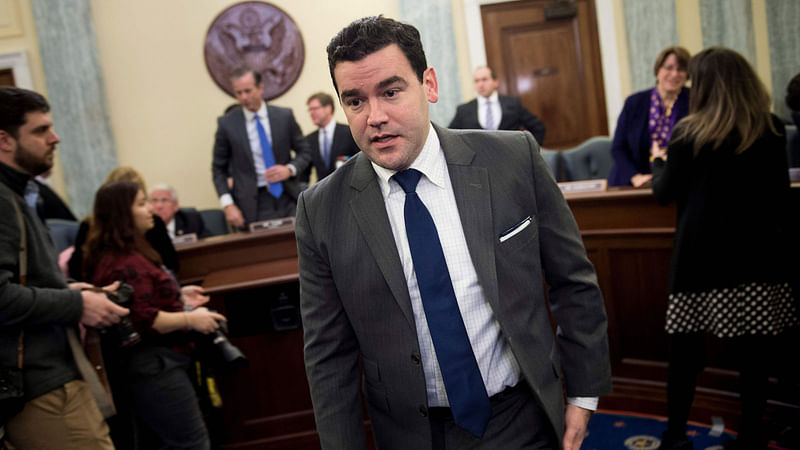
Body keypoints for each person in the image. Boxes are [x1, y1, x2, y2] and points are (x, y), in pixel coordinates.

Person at [296, 16, 611, 450]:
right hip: (413, 436)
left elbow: (573, 282)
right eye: (355, 101)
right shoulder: (319, 211)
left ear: (429, 85)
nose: (376, 117)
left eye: (391, 91)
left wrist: (582, 392)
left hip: (522, 417)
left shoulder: (512, 159)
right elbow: (328, 358)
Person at [651, 47, 798, 450]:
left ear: (708, 86)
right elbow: (780, 201)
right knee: (755, 359)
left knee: (685, 357)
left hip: (699, 263)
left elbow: (664, 193)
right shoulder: (770, 128)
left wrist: (659, 163)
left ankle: (676, 437)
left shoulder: (687, 132)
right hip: (756, 259)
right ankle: (752, 436)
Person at [0, 86, 129, 449]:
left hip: (51, 377)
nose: (54, 138)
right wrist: (78, 305)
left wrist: (73, 290)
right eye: (40, 131)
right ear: (4, 140)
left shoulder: (19, 194)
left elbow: (27, 278)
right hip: (40, 387)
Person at [84, 181, 226, 450]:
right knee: (191, 444)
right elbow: (146, 320)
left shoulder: (130, 253)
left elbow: (141, 300)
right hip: (155, 366)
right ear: (121, 213)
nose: (151, 209)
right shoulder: (122, 262)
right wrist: (190, 318)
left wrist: (179, 296)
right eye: (141, 203)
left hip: (160, 362)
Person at [212, 68, 312, 228]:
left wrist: (289, 169)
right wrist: (228, 204)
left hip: (288, 196)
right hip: (252, 204)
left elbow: (305, 152)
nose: (243, 97)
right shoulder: (227, 124)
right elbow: (218, 169)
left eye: (248, 91)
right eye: (238, 93)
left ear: (260, 88)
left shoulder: (284, 116)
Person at [68, 166, 178, 280]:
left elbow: (171, 265)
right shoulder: (90, 227)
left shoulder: (152, 222)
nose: (151, 208)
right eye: (141, 203)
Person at [608, 46, 690, 187]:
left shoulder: (695, 100)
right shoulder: (634, 102)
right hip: (634, 182)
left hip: (679, 183)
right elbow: (618, 148)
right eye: (669, 68)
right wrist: (635, 177)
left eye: (681, 69)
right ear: (658, 70)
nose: (675, 74)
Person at [449, 66, 546, 144]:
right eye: (477, 81)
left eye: (484, 79)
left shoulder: (513, 104)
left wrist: (530, 152)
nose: (480, 84)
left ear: (495, 82)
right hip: (478, 164)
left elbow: (538, 127)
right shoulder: (464, 110)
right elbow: (450, 137)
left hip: (511, 161)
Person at [299, 92, 360, 184]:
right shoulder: (309, 139)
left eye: (314, 109)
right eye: (309, 110)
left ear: (328, 108)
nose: (311, 113)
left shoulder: (349, 132)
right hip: (323, 193)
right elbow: (304, 174)